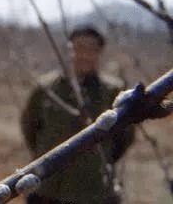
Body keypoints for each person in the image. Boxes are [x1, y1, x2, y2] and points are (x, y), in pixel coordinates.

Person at [21, 25, 134, 204]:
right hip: (48, 188)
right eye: (78, 48)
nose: (84, 55)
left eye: (91, 49)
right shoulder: (46, 88)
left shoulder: (113, 91)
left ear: (99, 53)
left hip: (96, 192)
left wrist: (99, 161)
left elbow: (124, 137)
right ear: (69, 51)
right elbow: (30, 129)